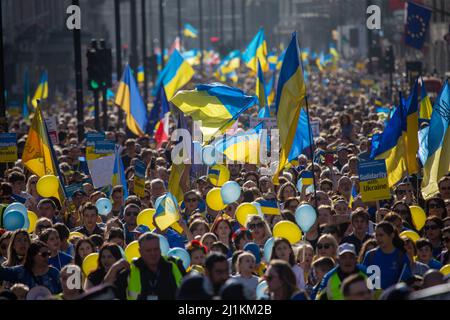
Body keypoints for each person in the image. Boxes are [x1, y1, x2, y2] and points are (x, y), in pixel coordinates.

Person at [124, 232, 183, 300]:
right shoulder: (132, 270)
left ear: (160, 249)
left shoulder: (171, 266)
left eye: (156, 249)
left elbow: (183, 294)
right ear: (140, 251)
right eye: (148, 250)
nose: (153, 253)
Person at [362, 222, 412, 291]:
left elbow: (406, 282)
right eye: (376, 235)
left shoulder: (401, 257)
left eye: (381, 235)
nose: (378, 238)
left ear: (392, 235)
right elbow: (364, 280)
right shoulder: (370, 255)